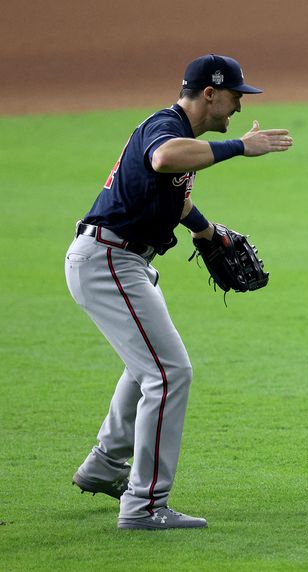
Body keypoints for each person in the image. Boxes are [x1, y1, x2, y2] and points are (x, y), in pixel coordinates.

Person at [65, 54, 292, 530]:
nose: (235, 107)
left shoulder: (180, 133)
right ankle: (145, 506)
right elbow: (164, 159)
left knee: (148, 367)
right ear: (209, 94)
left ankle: (105, 465)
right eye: (234, 97)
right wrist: (240, 147)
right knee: (169, 374)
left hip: (121, 261)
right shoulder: (165, 126)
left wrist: (206, 231)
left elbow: (176, 194)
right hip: (110, 260)